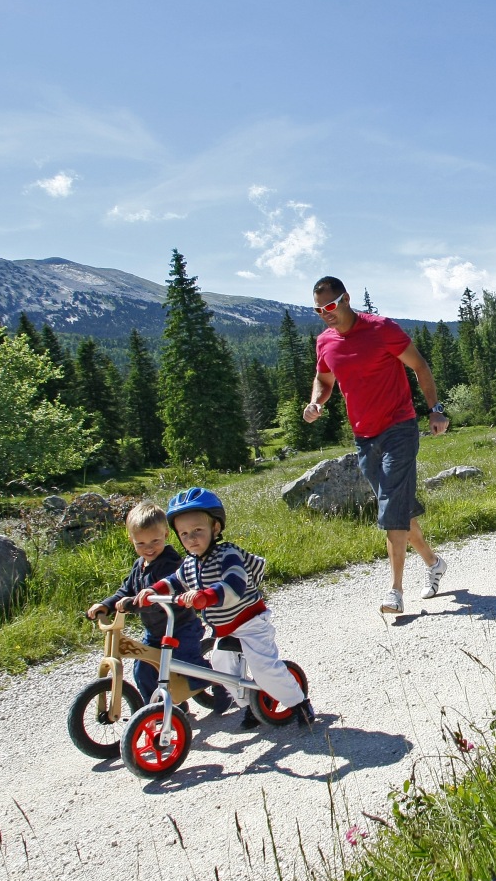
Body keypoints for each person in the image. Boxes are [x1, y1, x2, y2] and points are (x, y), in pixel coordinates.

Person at [303, 276, 449, 616]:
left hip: (399, 427)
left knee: (389, 507)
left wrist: (435, 410)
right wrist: (316, 403)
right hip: (364, 436)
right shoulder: (325, 342)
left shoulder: (381, 329)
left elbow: (420, 366)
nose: (325, 314)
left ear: (346, 299)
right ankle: (434, 562)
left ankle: (395, 591)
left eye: (330, 306)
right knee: (396, 506)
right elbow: (324, 380)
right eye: (318, 309)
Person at [135, 487, 314, 729]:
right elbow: (174, 581)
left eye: (198, 530)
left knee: (264, 669)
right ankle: (251, 705)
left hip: (250, 622)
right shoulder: (189, 564)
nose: (191, 538)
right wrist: (153, 591)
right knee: (221, 670)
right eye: (184, 533)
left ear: (215, 528)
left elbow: (235, 583)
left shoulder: (227, 553)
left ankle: (299, 703)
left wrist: (206, 596)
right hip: (224, 628)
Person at [86, 502, 230, 713]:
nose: (149, 548)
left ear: (166, 535)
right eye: (141, 543)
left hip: (181, 627)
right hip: (154, 633)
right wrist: (106, 606)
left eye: (155, 540)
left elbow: (161, 596)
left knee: (186, 664)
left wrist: (133, 605)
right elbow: (124, 591)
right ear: (131, 541)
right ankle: (159, 710)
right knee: (143, 670)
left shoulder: (170, 564)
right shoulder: (139, 566)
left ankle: (221, 682)